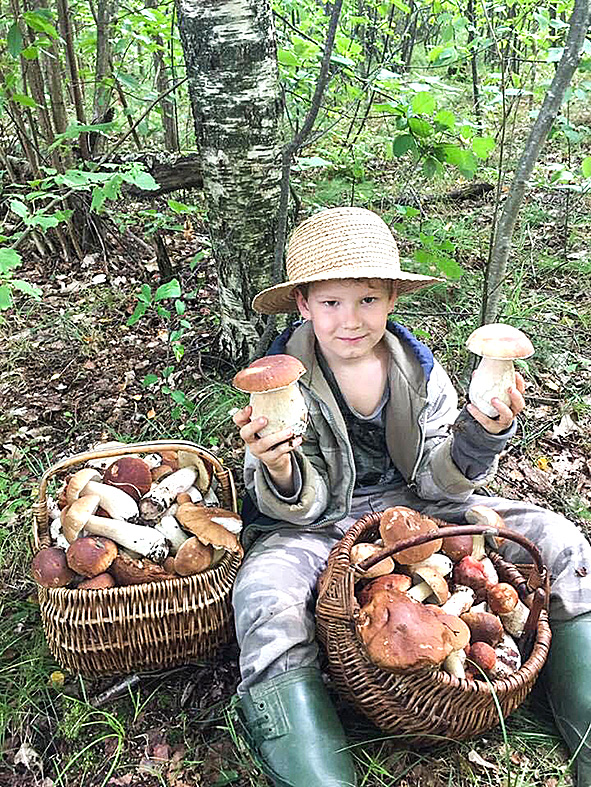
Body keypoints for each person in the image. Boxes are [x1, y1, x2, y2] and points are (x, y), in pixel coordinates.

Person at [231, 207, 591, 787]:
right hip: (320, 522)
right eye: (331, 303)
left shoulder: (421, 373)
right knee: (266, 594)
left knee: (559, 539)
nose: (351, 320)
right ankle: (311, 765)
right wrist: (275, 463)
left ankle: (586, 720)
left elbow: (439, 483)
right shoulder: (279, 386)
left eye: (368, 300)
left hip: (424, 509)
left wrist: (481, 434)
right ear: (303, 304)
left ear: (393, 298)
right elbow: (284, 506)